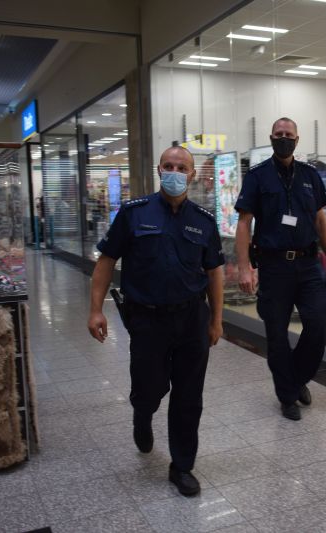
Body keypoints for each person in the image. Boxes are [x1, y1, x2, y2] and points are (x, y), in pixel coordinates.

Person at [86, 146, 224, 497]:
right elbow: (106, 261)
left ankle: (182, 466)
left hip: (192, 317)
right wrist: (96, 309)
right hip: (147, 319)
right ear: (159, 170)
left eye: (182, 167)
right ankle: (143, 412)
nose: (175, 172)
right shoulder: (133, 213)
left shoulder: (204, 220)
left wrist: (217, 319)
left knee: (189, 395)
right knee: (150, 388)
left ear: (192, 175)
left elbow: (214, 272)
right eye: (169, 166)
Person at [235, 117, 326, 421]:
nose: (283, 138)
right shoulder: (257, 176)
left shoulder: (310, 175)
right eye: (278, 134)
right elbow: (244, 224)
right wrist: (244, 267)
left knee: (318, 326)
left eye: (288, 134)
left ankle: (296, 379)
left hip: (308, 265)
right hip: (273, 266)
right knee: (277, 335)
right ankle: (287, 396)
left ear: (297, 138)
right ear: (271, 138)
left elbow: (320, 220)